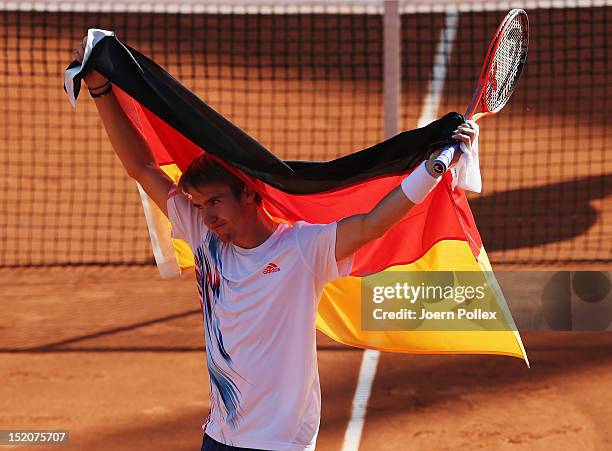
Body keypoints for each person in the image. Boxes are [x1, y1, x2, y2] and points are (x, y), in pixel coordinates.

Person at [72, 40, 477, 451]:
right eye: (199, 204)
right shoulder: (204, 237)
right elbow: (142, 167)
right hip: (219, 436)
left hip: (280, 445)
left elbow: (372, 223)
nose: (207, 215)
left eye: (215, 201)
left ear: (248, 194)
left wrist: (429, 172)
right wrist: (101, 88)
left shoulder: (302, 249)